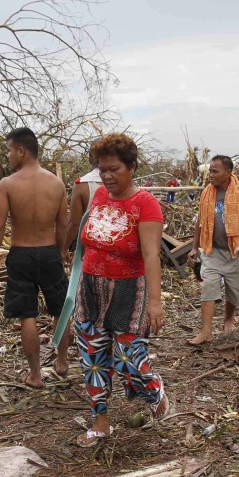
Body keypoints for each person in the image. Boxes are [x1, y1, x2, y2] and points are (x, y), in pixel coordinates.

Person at [73, 133, 167, 447]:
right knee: (94, 358)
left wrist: (156, 302)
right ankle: (100, 422)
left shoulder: (145, 204)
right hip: (91, 288)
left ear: (131, 167)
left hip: (128, 290)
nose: (108, 175)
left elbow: (152, 254)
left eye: (114, 169)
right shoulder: (99, 196)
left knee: (129, 359)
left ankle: (152, 389)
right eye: (102, 169)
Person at [0, 127, 72, 389]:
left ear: (22, 151)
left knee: (28, 316)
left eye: (10, 151)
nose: (9, 156)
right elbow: (63, 225)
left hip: (21, 255)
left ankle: (35, 375)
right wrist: (61, 251)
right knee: (60, 309)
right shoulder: (56, 184)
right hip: (48, 253)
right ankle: (62, 362)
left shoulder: (8, 184)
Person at [187, 155, 239, 345]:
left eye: (215, 171)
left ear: (228, 172)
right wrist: (194, 248)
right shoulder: (207, 193)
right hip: (213, 250)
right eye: (210, 171)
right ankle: (206, 331)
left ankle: (228, 318)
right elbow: (200, 221)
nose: (210, 175)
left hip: (238, 251)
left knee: (235, 289)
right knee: (209, 285)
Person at [66, 145, 103, 250]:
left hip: (88, 247)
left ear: (90, 159)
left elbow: (74, 223)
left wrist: (63, 249)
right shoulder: (124, 184)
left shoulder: (82, 184)